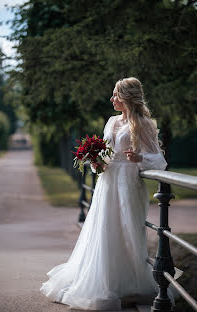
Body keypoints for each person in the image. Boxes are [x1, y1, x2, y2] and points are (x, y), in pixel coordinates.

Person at [40, 77, 170, 310]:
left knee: (127, 230)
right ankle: (106, 283)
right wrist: (95, 161)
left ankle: (130, 285)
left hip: (128, 182)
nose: (111, 99)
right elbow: (107, 154)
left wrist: (139, 158)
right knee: (104, 229)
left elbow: (159, 161)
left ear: (127, 97)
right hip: (107, 182)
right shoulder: (111, 122)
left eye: (115, 96)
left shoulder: (144, 124)